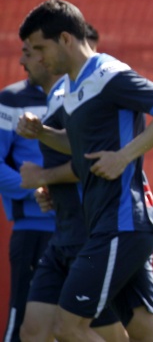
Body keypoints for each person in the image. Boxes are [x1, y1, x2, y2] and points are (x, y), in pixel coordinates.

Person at [16, 0, 153, 342]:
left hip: (122, 224)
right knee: (148, 336)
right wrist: (43, 133)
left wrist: (124, 156)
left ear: (66, 39)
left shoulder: (107, 74)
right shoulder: (73, 87)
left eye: (40, 48)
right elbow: (78, 147)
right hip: (110, 225)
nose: (37, 58)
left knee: (68, 327)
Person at [18, 25, 127, 342]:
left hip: (91, 234)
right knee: (34, 331)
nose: (26, 61)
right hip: (63, 233)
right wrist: (52, 190)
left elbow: (91, 160)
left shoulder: (84, 97)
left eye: (35, 51)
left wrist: (43, 177)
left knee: (104, 334)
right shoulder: (57, 99)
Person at [1, 36, 56, 342]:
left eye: (29, 53)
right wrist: (35, 189)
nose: (22, 61)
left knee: (75, 328)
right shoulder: (12, 99)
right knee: (24, 327)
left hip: (81, 230)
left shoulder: (81, 94)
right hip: (34, 231)